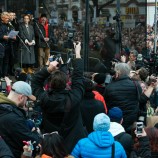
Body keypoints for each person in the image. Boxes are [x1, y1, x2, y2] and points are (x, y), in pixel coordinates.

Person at [31, 42, 87, 153]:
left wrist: (49, 69)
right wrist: (77, 53)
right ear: (67, 83)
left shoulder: (44, 98)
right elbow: (78, 77)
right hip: (72, 144)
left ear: (50, 84)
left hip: (51, 145)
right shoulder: (74, 97)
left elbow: (35, 82)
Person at [0, 81, 40, 158]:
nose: (27, 102)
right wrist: (35, 132)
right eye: (27, 99)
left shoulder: (4, 107)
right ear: (21, 97)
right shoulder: (14, 118)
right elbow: (32, 141)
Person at [104, 63, 142, 132]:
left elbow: (106, 102)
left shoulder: (110, 87)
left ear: (118, 72)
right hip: (132, 121)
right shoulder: (136, 85)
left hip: (115, 120)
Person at [0, 12, 16, 77]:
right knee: (1, 62)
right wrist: (4, 37)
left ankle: (5, 75)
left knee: (6, 62)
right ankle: (0, 76)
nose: (7, 19)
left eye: (8, 18)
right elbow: (1, 35)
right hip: (1, 45)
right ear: (2, 18)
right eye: (6, 18)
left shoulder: (9, 25)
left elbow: (12, 34)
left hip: (8, 45)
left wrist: (14, 36)